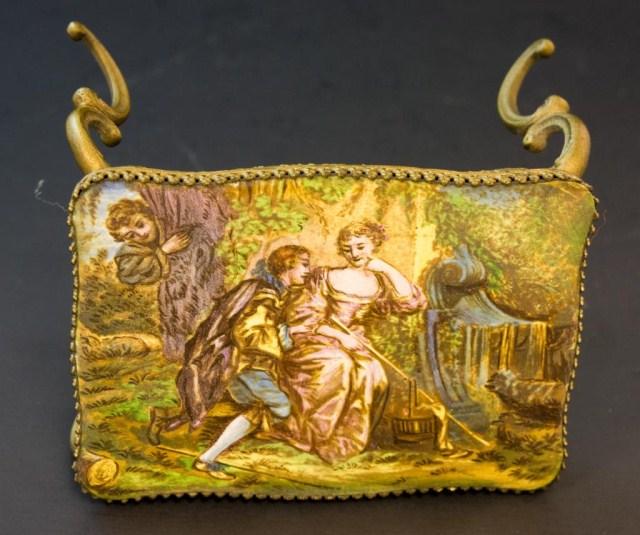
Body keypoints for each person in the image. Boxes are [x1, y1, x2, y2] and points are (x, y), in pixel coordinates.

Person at [274, 221, 428, 463]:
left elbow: (410, 304)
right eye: (347, 249)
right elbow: (304, 320)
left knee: (372, 371)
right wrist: (340, 337)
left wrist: (386, 268)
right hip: (317, 341)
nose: (354, 254)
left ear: (374, 245)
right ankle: (314, 435)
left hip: (356, 344)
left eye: (360, 247)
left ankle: (345, 441)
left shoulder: (378, 283)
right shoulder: (324, 277)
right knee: (339, 364)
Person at [191, 245, 310, 479]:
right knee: (281, 407)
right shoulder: (267, 296)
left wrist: (284, 332)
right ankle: (206, 457)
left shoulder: (275, 293)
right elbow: (248, 333)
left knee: (255, 409)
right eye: (304, 265)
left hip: (247, 366)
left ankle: (203, 455)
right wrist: (285, 338)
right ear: (288, 267)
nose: (308, 270)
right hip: (247, 366)